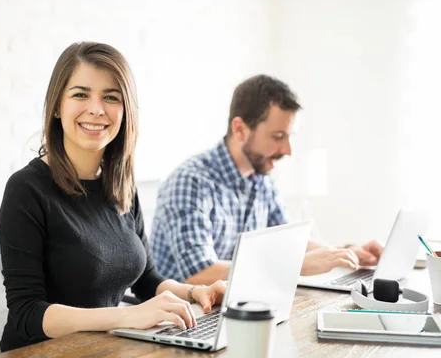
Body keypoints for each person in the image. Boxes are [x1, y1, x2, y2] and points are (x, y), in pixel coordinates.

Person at [0, 42, 226, 352]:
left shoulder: (120, 187)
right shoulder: (26, 190)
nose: (97, 108)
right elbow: (27, 313)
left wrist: (195, 292)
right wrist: (126, 316)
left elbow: (147, 279)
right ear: (56, 106)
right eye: (80, 94)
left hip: (105, 352)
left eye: (110, 97)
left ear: (125, 111)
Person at [150, 74, 384, 285]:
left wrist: (348, 254)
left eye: (289, 137)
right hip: (185, 317)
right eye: (277, 136)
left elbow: (293, 240)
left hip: (236, 306)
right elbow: (199, 272)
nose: (288, 150)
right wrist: (297, 266)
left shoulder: (260, 178)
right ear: (240, 129)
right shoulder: (190, 182)